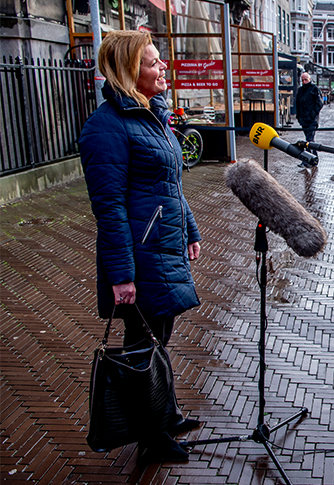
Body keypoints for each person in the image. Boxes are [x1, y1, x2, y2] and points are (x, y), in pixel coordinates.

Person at [79, 30, 202, 463]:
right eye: (152, 62)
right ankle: (151, 438)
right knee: (141, 344)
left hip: (164, 244)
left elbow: (171, 182)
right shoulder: (105, 129)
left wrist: (189, 228)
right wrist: (122, 275)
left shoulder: (153, 116)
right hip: (141, 254)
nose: (163, 67)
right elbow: (109, 208)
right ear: (131, 71)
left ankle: (163, 414)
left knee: (158, 338)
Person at [296, 72, 324, 154]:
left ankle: (308, 159)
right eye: (302, 80)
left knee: (309, 139)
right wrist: (299, 116)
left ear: (309, 79)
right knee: (309, 140)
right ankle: (313, 158)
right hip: (303, 119)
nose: (304, 82)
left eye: (306, 80)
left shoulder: (314, 89)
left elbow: (319, 103)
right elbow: (298, 104)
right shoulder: (301, 90)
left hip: (311, 120)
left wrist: (312, 115)